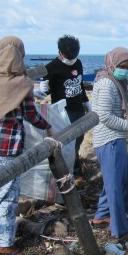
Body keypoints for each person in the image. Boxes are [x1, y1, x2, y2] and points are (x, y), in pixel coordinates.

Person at [0, 36, 52, 255]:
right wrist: (49, 126)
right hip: (5, 145)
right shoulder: (22, 83)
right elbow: (31, 116)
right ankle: (4, 242)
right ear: (21, 54)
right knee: (6, 192)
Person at [91, 46, 128, 239]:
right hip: (109, 139)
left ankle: (102, 215)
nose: (126, 69)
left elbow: (120, 106)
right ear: (112, 63)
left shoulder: (113, 80)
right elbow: (104, 115)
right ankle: (119, 229)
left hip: (112, 138)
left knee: (115, 181)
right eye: (122, 65)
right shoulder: (107, 84)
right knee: (118, 185)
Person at [37, 35, 90, 175]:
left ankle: (76, 165)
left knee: (79, 139)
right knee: (66, 144)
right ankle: (66, 171)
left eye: (75, 55)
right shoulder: (52, 67)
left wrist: (87, 102)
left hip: (78, 108)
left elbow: (80, 85)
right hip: (63, 112)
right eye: (68, 56)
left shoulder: (77, 63)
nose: (71, 59)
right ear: (60, 52)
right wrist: (41, 88)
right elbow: (45, 92)